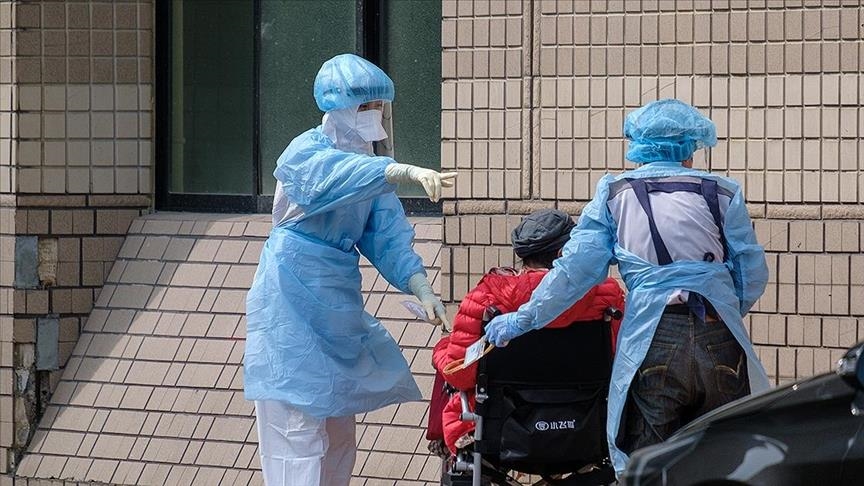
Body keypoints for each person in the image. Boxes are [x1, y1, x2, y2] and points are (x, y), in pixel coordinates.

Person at [483, 99, 770, 475]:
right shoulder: (723, 192)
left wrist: (523, 319)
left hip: (653, 334)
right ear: (689, 148)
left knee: (648, 462)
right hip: (719, 332)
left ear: (640, 147)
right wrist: (724, 307)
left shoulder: (615, 193)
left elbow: (574, 272)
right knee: (724, 454)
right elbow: (752, 272)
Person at [243, 53, 457, 486]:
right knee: (296, 428)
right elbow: (328, 179)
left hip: (337, 300)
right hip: (291, 300)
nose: (375, 114)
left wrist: (420, 285)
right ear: (339, 105)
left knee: (338, 428)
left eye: (379, 105)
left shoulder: (370, 170)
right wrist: (396, 169)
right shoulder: (307, 152)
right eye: (366, 105)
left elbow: (387, 234)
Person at [429, 209, 625, 456]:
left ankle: (440, 445)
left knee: (448, 362)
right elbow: (620, 358)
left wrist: (441, 350)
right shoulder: (605, 294)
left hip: (500, 431)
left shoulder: (485, 297)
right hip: (587, 426)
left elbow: (461, 375)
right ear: (565, 252)